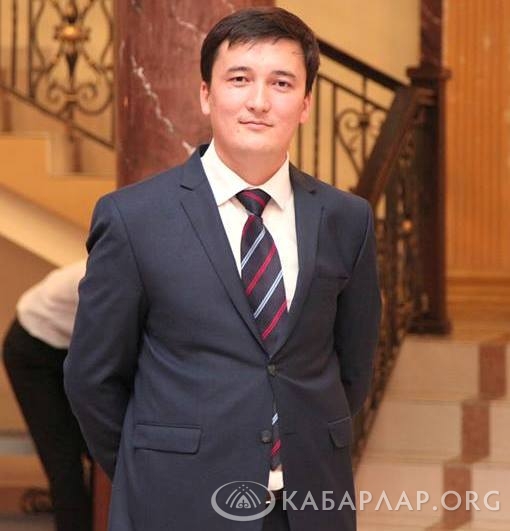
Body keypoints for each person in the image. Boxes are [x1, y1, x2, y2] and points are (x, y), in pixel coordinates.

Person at [64, 7, 381, 531]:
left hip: (308, 505)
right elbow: (91, 378)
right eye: (239, 79)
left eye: (282, 83)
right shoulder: (134, 218)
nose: (259, 101)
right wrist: (151, 470)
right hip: (176, 504)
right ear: (206, 94)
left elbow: (353, 367)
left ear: (305, 104)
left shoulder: (347, 220)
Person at [2, 260, 91, 531]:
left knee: (99, 448)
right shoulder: (106, 275)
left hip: (68, 348)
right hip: (31, 351)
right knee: (64, 463)